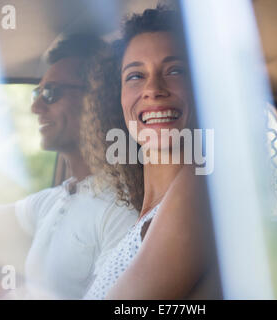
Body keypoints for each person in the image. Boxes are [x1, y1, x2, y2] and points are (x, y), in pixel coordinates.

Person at [0, 34, 138, 299]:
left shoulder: (122, 209)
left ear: (96, 101)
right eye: (37, 92)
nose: (35, 106)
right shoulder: (56, 200)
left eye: (50, 93)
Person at [81, 8, 222, 299]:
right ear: (116, 97)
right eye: (135, 76)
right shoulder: (144, 214)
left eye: (175, 70)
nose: (153, 89)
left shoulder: (202, 187)